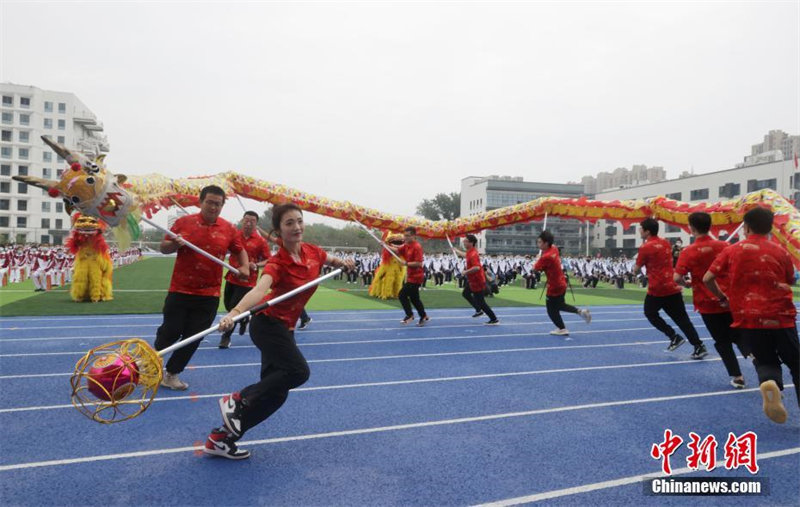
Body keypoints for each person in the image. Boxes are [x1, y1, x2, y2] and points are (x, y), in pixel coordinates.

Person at [204, 203, 355, 459]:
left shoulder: (313, 252)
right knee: (299, 372)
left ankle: (222, 439)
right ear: (278, 230)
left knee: (275, 395)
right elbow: (259, 290)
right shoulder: (278, 262)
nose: (296, 227)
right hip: (267, 325)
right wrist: (234, 313)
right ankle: (238, 399)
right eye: (289, 223)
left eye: (299, 221)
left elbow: (333, 260)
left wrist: (345, 263)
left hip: (286, 329)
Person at [704, 207, 799, 424]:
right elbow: (790, 279)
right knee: (796, 363)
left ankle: (770, 382)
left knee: (765, 360)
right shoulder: (781, 251)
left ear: (746, 227)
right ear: (770, 228)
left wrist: (722, 297)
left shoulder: (731, 250)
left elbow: (708, 278)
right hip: (781, 316)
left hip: (748, 318)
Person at [154, 185, 249, 390]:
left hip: (209, 294)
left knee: (194, 336)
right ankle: (154, 361)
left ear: (222, 206)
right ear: (201, 202)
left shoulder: (228, 229)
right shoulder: (183, 223)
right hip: (180, 289)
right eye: (210, 202)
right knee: (171, 331)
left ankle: (172, 374)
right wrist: (175, 244)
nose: (213, 207)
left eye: (218, 204)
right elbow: (164, 248)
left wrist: (244, 267)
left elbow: (240, 250)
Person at [674, 212, 749, 388]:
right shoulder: (725, 246)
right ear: (710, 226)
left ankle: (738, 376)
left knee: (722, 341)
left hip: (707, 302)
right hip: (729, 299)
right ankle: (757, 360)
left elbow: (677, 277)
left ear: (691, 228)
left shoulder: (688, 251)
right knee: (738, 335)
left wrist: (687, 284)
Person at [634, 218, 707, 359]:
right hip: (672, 286)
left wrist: (635, 270)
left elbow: (637, 269)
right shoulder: (666, 243)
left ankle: (673, 336)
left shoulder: (645, 247)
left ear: (647, 231)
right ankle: (698, 346)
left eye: (641, 228)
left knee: (650, 313)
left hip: (657, 288)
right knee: (682, 319)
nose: (639, 231)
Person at [219, 211, 271, 349]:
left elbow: (268, 259)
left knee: (234, 307)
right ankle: (243, 318)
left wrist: (257, 265)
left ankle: (226, 337)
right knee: (228, 304)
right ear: (242, 221)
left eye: (252, 221)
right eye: (246, 220)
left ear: (256, 223)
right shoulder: (234, 235)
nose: (248, 223)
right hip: (232, 277)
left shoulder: (261, 241)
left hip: (248, 281)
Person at [534, 231, 591, 336]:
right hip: (562, 282)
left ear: (546, 243)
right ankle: (580, 312)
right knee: (560, 305)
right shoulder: (554, 249)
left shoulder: (546, 257)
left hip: (554, 286)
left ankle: (562, 328)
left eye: (540, 242)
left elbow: (536, 268)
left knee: (551, 309)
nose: (538, 244)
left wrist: (538, 259)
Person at [452, 234, 499, 325]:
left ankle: (494, 319)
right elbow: (466, 255)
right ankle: (478, 310)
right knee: (466, 293)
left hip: (477, 281)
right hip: (473, 280)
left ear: (471, 243)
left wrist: (465, 272)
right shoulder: (470, 251)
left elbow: (477, 267)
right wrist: (456, 250)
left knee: (481, 302)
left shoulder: (473, 254)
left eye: (465, 241)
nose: (464, 242)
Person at [390, 227, 429, 326]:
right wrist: (385, 246)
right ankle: (423, 315)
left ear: (414, 236)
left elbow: (419, 263)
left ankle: (410, 315)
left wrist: (406, 263)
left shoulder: (417, 247)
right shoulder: (406, 245)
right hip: (410, 275)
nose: (405, 238)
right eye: (405, 235)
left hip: (416, 276)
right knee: (414, 299)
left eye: (407, 236)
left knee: (402, 295)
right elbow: (397, 250)